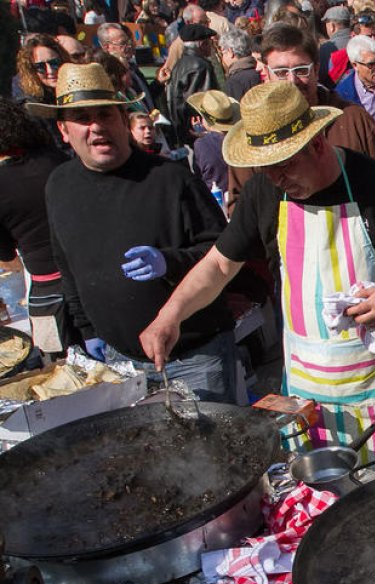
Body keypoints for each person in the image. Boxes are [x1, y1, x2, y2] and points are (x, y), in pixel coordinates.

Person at [140, 81, 375, 463]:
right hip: (308, 382)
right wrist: (170, 314)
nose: (277, 179)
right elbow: (220, 264)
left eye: (285, 165)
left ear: (317, 143)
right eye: (267, 169)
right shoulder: (264, 192)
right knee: (321, 492)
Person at [32, 63, 237, 401]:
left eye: (105, 115)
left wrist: (169, 262)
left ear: (122, 119)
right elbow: (65, 262)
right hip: (117, 360)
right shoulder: (59, 185)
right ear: (64, 130)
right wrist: (87, 329)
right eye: (83, 118)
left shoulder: (170, 179)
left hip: (193, 355)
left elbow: (223, 252)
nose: (97, 127)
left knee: (209, 451)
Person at [225, 23, 375, 211]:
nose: (292, 81)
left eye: (301, 70)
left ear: (316, 70)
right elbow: (240, 205)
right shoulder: (255, 133)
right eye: (281, 72)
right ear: (266, 74)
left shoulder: (351, 119)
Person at [0, 99, 74, 356]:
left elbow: (7, 256)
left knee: (63, 371)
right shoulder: (55, 159)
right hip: (90, 273)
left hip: (47, 291)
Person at [165, 23, 220, 143]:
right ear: (202, 44)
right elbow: (205, 101)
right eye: (209, 43)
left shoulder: (180, 64)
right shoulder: (201, 66)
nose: (211, 47)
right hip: (198, 130)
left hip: (183, 129)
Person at [188, 89, 238, 198]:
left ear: (205, 120)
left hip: (217, 199)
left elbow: (198, 176)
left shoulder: (201, 145)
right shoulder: (239, 138)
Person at [219, 27, 260, 100]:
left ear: (230, 51)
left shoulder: (234, 82)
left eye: (223, 53)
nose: (222, 58)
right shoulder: (262, 72)